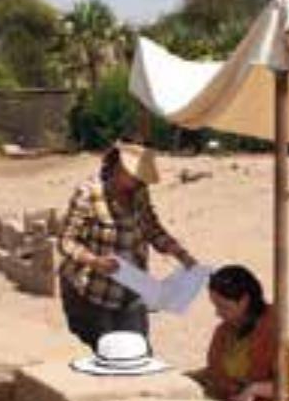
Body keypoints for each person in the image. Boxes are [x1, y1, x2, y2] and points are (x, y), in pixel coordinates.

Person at [57, 142, 197, 349]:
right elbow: (66, 241)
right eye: (136, 176)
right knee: (107, 355)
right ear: (119, 167)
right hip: (94, 293)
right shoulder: (88, 193)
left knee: (138, 353)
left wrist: (181, 254)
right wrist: (95, 261)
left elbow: (152, 228)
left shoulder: (139, 192)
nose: (140, 182)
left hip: (132, 288)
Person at [203, 264, 289, 401]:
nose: (218, 313)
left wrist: (255, 389)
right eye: (216, 306)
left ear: (244, 301)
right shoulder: (225, 332)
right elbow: (217, 373)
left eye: (223, 307)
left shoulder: (270, 332)